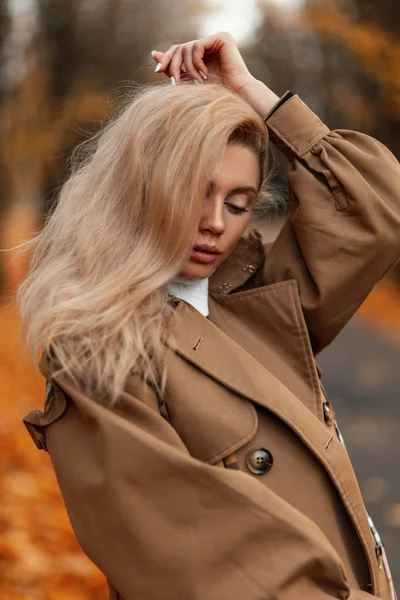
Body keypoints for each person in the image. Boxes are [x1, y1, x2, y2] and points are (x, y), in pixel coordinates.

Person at [18, 31, 400, 600]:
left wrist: (254, 96)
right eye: (196, 192)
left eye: (238, 203)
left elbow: (375, 204)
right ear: (141, 187)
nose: (216, 223)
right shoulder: (97, 344)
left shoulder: (251, 298)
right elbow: (199, 564)